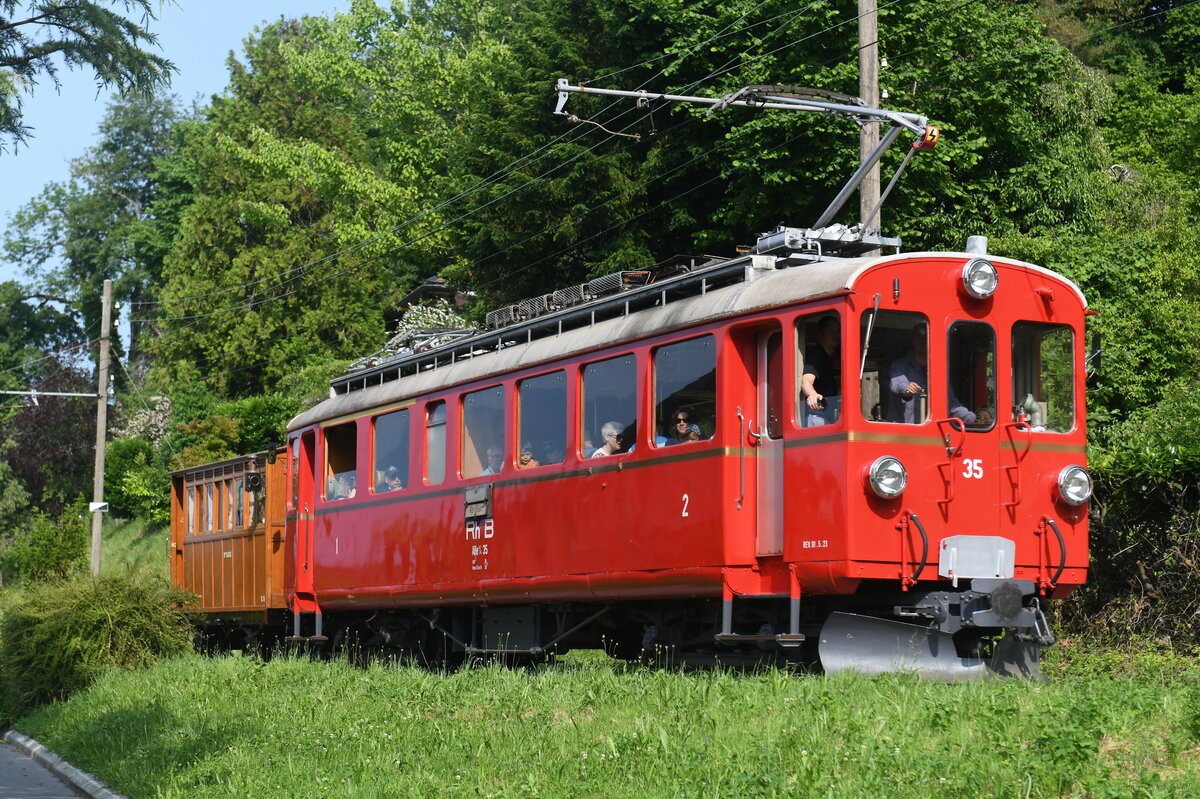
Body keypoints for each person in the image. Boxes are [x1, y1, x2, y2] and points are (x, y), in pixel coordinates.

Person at [888, 328, 976, 424]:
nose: (923, 341)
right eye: (919, 337)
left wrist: (972, 418)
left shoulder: (938, 369)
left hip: (930, 434)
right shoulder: (900, 365)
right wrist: (907, 388)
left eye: (926, 337)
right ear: (913, 340)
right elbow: (897, 383)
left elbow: (950, 403)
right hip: (902, 434)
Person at [801, 315, 841, 427]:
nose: (835, 335)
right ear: (820, 334)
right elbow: (806, 380)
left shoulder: (829, 358)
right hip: (816, 419)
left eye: (838, 331)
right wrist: (813, 395)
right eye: (830, 331)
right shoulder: (817, 355)